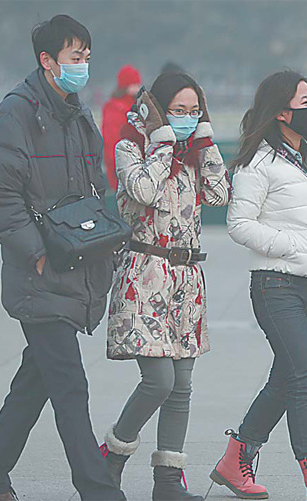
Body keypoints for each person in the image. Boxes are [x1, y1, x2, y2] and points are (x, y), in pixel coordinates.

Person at [0, 14, 126, 501]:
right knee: (70, 387)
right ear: (47, 60)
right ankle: (99, 490)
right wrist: (34, 254)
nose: (83, 66)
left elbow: (92, 186)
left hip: (73, 263)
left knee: (33, 386)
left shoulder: (74, 111)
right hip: (40, 272)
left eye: (87, 57)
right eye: (75, 58)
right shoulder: (18, 111)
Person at [210, 70, 307, 501]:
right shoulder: (259, 163)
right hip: (276, 285)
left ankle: (235, 459)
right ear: (280, 112)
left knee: (285, 378)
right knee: (305, 378)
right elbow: (238, 224)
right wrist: (290, 246)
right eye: (303, 101)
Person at [100, 72, 232, 501]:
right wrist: (160, 143)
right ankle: (113, 456)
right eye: (178, 111)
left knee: (182, 385)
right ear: (157, 109)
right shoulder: (130, 148)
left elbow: (220, 194)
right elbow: (141, 189)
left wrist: (206, 142)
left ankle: (168, 482)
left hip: (186, 281)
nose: (187, 119)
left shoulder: (195, 154)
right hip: (144, 274)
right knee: (158, 381)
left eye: (195, 112)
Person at [102, 64, 142, 191]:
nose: (137, 87)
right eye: (134, 84)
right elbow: (111, 140)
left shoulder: (133, 105)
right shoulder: (116, 108)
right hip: (121, 168)